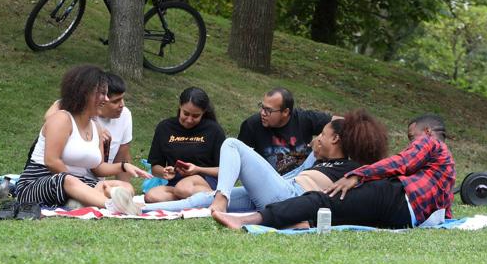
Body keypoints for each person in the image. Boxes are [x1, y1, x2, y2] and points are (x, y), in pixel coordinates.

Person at [212, 114, 456, 230]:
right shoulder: (448, 170)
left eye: (411, 137)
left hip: (396, 199)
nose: (410, 142)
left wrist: (358, 175)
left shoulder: (429, 143)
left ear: (426, 133)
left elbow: (400, 163)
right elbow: (445, 209)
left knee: (322, 200)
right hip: (401, 218)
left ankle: (245, 221)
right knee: (339, 212)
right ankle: (301, 223)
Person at [142, 109, 388, 213]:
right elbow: (302, 168)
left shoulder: (352, 169)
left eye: (322, 134)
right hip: (279, 190)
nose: (317, 138)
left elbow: (379, 172)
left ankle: (221, 199)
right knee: (205, 198)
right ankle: (142, 210)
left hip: (287, 196)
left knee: (232, 144)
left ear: (335, 139)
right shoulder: (321, 158)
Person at [16, 65, 152, 215]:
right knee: (68, 180)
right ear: (85, 93)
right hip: (40, 181)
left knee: (125, 187)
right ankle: (113, 205)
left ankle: (79, 201)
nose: (106, 99)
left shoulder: (96, 128)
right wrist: (80, 185)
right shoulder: (62, 119)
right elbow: (52, 161)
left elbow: (98, 167)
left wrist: (124, 166)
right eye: (102, 94)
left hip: (77, 183)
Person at [44, 72, 134, 181]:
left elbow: (122, 156)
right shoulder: (70, 108)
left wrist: (124, 185)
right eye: (115, 101)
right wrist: (94, 130)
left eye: (122, 99)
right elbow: (50, 120)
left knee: (125, 190)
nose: (122, 105)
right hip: (64, 178)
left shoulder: (125, 115)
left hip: (93, 180)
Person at [144, 87, 226, 203]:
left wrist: (197, 169)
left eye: (195, 116)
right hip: (176, 183)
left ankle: (211, 198)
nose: (189, 120)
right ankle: (200, 201)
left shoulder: (214, 130)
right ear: (180, 107)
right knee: (151, 196)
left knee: (183, 188)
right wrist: (165, 172)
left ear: (203, 113)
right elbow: (155, 167)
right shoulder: (165, 128)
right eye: (186, 113)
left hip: (205, 180)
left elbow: (225, 170)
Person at [238, 87, 336, 176]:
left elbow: (343, 123)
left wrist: (321, 137)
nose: (262, 113)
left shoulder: (304, 119)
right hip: (270, 183)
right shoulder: (252, 125)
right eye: (262, 107)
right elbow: (237, 161)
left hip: (303, 179)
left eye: (268, 110)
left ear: (285, 112)